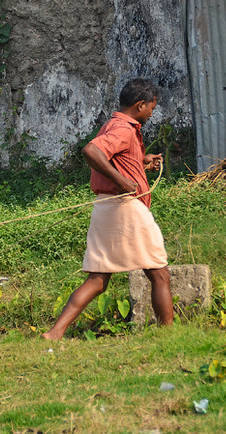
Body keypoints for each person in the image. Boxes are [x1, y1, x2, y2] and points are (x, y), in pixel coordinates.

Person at [42, 78, 173, 340]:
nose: (151, 113)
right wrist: (123, 180)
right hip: (125, 207)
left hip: (106, 207)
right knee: (159, 273)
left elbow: (113, 156)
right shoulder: (124, 129)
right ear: (140, 105)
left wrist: (141, 162)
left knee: (98, 279)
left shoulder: (113, 125)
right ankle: (170, 334)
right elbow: (92, 151)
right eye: (151, 108)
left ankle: (55, 333)